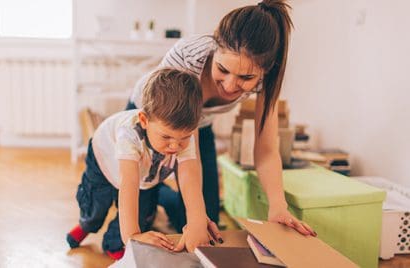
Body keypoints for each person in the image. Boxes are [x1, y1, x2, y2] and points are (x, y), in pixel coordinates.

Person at [127, 0, 316, 236]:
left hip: (200, 124)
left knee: (209, 222)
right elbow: (188, 156)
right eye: (223, 70)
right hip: (155, 119)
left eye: (245, 77)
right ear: (214, 49)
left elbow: (266, 149)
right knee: (143, 216)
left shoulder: (268, 79)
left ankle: (163, 195)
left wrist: (278, 206)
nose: (229, 85)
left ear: (265, 71)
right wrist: (195, 215)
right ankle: (154, 191)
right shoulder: (188, 55)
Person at [66, 68, 221, 260]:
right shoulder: (129, 134)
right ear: (144, 120)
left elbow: (190, 177)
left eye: (184, 138)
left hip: (146, 173)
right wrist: (132, 236)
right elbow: (128, 186)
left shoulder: (183, 136)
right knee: (97, 205)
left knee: (143, 217)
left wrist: (197, 220)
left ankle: (113, 242)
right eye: (166, 137)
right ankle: (86, 225)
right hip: (105, 160)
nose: (175, 146)